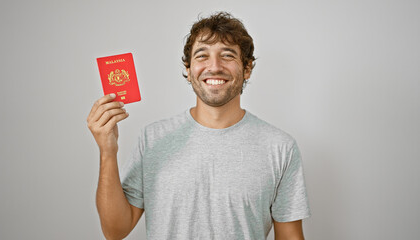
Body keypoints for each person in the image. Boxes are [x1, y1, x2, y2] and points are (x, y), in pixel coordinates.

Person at [87, 12, 311, 240]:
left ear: (247, 69)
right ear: (188, 69)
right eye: (202, 56)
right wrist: (107, 152)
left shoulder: (280, 147)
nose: (214, 66)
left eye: (227, 55)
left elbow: (290, 236)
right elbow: (115, 231)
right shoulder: (153, 137)